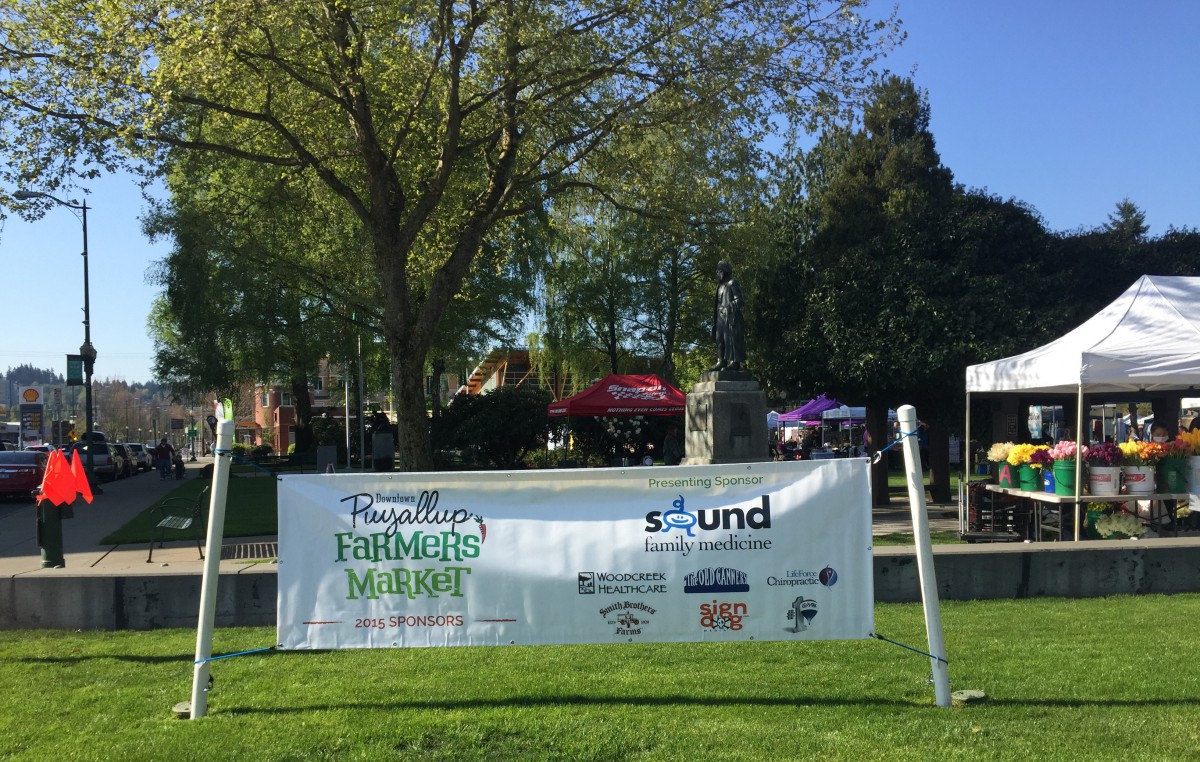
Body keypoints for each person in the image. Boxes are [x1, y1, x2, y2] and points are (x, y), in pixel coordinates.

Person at [710, 260, 746, 371]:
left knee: (731, 340)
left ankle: (734, 363)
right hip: (720, 319)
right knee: (719, 339)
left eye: (718, 270)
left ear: (723, 272)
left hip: (731, 318)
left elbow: (740, 300)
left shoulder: (732, 283)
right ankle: (721, 361)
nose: (717, 273)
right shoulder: (718, 287)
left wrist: (729, 308)